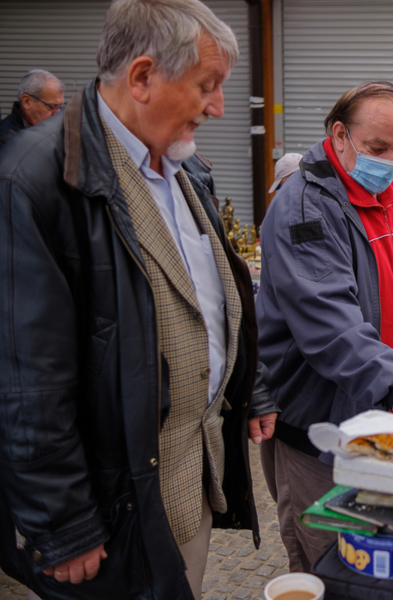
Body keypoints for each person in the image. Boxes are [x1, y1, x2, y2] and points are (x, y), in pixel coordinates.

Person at [0, 1, 278, 598]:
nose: (218, 107)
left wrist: (248, 385)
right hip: (107, 515)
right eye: (207, 85)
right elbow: (25, 379)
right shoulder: (32, 180)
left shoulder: (186, 168)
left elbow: (213, 297)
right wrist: (63, 522)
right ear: (143, 76)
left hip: (184, 484)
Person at [256, 81, 393, 572]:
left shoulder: (386, 196)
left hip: (377, 408)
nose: (389, 162)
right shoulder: (306, 208)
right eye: (377, 148)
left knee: (377, 557)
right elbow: (328, 320)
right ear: (340, 135)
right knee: (330, 562)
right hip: (321, 430)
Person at [0, 70, 65, 149]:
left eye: (59, 106)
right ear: (27, 102)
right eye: (52, 106)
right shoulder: (6, 140)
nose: (57, 113)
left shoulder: (52, 129)